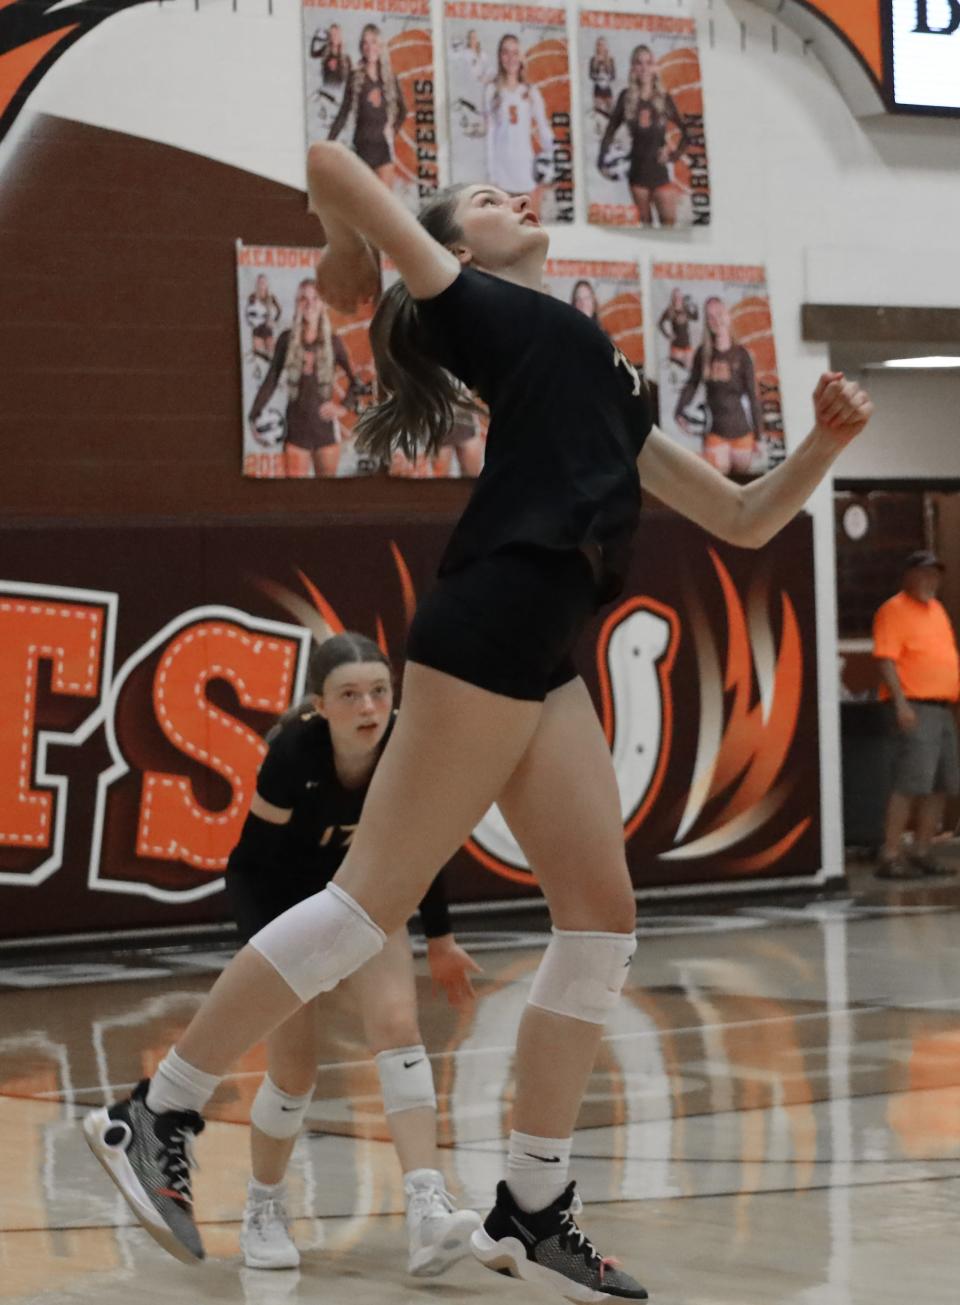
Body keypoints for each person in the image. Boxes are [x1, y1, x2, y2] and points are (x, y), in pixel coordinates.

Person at [83, 141, 873, 1304]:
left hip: (547, 642)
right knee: (362, 912)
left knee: (601, 924)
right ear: (455, 251)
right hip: (497, 608)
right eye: (486, 203)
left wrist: (825, 446)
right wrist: (354, 256)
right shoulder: (484, 310)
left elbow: (748, 519)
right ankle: (156, 1111)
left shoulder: (602, 367)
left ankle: (536, 1202)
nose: (515, 202)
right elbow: (327, 162)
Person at [226, 632, 482, 1274]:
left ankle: (427, 1209)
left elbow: (425, 844)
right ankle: (263, 1206)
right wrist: (270, 956)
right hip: (287, 908)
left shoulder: (405, 747)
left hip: (367, 896)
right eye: (350, 695)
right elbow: (248, 867)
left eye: (379, 691)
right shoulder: (291, 754)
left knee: (399, 1027)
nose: (368, 707)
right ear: (320, 705)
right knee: (294, 1073)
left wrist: (443, 940)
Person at [872, 551, 959, 880]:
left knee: (942, 784)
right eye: (923, 574)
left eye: (934, 575)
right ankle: (891, 853)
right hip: (915, 706)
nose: (930, 581)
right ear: (907, 575)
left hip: (942, 708)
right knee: (910, 782)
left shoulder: (938, 610)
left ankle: (922, 850)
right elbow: (885, 659)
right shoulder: (893, 610)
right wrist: (900, 704)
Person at [248, 277, 360, 478]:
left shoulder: (334, 342)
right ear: (297, 303)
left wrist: (343, 407)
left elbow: (356, 382)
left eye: (315, 298)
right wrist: (254, 415)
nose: (309, 304)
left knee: (327, 499)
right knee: (296, 497)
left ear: (322, 303)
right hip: (296, 432)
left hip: (325, 432)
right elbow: (271, 380)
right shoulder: (285, 340)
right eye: (303, 299)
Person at [598, 44, 688, 227]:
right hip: (637, 176)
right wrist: (601, 162)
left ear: (655, 67)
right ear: (633, 68)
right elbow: (609, 133)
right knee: (645, 227)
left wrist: (672, 155)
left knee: (669, 228)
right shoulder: (626, 98)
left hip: (660, 175)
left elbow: (687, 134)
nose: (644, 68)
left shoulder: (663, 99)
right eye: (639, 63)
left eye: (649, 62)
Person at [674, 296, 764, 477]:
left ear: (728, 316)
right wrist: (679, 410)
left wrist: (759, 437)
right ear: (707, 322)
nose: (716, 320)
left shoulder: (742, 355)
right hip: (715, 433)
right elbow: (692, 384)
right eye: (710, 317)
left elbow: (753, 397)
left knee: (740, 490)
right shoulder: (703, 353)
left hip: (743, 436)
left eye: (720, 314)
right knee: (718, 492)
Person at [328, 24, 407, 191]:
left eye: (373, 42)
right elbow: (343, 113)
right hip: (361, 152)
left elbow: (403, 110)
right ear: (361, 47)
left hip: (383, 154)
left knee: (385, 210)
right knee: (363, 210)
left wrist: (393, 128)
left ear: (380, 46)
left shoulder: (390, 78)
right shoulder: (355, 77)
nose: (369, 47)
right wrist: (328, 144)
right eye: (365, 43)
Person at [483, 34, 553, 207]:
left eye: (515, 53)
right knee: (503, 229)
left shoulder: (530, 92)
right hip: (501, 170)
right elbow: (490, 135)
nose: (511, 58)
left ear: (521, 57)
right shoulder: (492, 90)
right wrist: (491, 175)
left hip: (526, 169)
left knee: (529, 227)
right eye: (506, 53)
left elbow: (544, 129)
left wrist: (550, 164)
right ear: (500, 56)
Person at [245, 274, 282, 362]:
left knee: (271, 357)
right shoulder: (252, 297)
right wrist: (252, 323)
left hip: (268, 330)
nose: (261, 284)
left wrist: (274, 321)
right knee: (258, 356)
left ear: (267, 284)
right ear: (257, 284)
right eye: (259, 282)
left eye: (263, 282)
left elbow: (279, 310)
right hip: (257, 330)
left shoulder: (271, 297)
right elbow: (248, 313)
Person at [658, 287, 697, 371]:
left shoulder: (685, 309)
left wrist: (694, 306)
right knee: (677, 371)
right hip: (676, 347)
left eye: (679, 296)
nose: (677, 298)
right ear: (672, 298)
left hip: (687, 346)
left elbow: (695, 317)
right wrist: (668, 335)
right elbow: (660, 323)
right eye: (675, 296)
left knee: (689, 371)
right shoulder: (670, 310)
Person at [588, 37, 616, 118]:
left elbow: (614, 76)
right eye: (599, 45)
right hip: (598, 89)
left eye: (603, 45)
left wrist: (607, 77)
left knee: (611, 113)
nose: (601, 47)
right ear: (596, 46)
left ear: (606, 46)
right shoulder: (593, 60)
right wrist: (598, 77)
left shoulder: (610, 60)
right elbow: (590, 75)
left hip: (607, 89)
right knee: (598, 113)